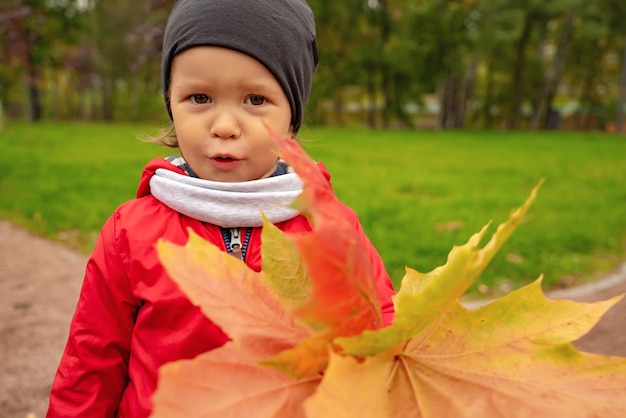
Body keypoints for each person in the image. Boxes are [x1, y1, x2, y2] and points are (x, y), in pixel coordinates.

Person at [46, 0, 396, 416]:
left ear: (292, 119)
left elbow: (381, 333)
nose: (225, 125)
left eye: (254, 99)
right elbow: (91, 362)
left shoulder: (331, 228)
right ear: (171, 105)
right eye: (199, 97)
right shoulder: (131, 232)